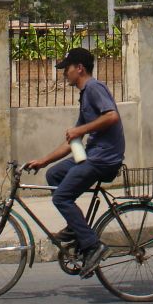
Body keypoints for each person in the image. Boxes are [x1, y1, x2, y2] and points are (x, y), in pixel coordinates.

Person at [26, 47, 125, 279]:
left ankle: (93, 246)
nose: (64, 74)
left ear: (79, 68)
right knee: (53, 175)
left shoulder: (94, 88)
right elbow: (74, 140)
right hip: (92, 155)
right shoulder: (85, 95)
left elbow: (112, 116)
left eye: (66, 69)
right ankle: (76, 226)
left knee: (61, 197)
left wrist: (80, 129)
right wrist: (42, 161)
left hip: (104, 158)